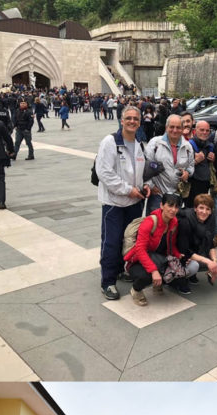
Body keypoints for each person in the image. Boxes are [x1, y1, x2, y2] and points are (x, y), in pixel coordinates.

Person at [96, 105, 149, 301]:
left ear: (140, 122)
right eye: (129, 118)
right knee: (111, 241)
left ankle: (120, 269)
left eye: (136, 118)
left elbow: (142, 173)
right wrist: (128, 189)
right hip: (114, 203)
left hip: (134, 202)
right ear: (121, 120)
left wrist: (147, 185)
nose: (132, 121)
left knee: (128, 240)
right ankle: (107, 281)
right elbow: (104, 173)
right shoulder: (110, 142)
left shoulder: (139, 144)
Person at [123, 193, 182, 305]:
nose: (173, 210)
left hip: (157, 258)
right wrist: (154, 271)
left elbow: (171, 245)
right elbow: (140, 250)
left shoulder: (173, 222)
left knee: (177, 268)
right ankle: (136, 290)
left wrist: (178, 256)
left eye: (176, 207)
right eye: (170, 205)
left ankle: (157, 283)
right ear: (161, 205)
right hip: (137, 260)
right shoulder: (150, 222)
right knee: (146, 275)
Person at [144, 115, 193, 213]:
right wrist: (150, 185)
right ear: (166, 128)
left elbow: (191, 166)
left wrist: (187, 173)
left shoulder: (187, 146)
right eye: (171, 127)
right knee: (155, 225)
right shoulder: (155, 143)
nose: (175, 130)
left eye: (178, 127)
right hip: (158, 195)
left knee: (173, 226)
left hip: (177, 195)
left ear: (182, 129)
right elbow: (145, 166)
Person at [176, 195, 217, 288]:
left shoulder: (211, 219)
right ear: (195, 208)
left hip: (197, 252)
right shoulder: (186, 220)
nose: (204, 212)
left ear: (211, 211)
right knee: (193, 266)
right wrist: (208, 262)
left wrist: (214, 262)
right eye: (201, 208)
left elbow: (210, 244)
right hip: (181, 255)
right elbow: (185, 250)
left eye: (208, 209)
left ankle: (191, 275)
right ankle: (177, 281)